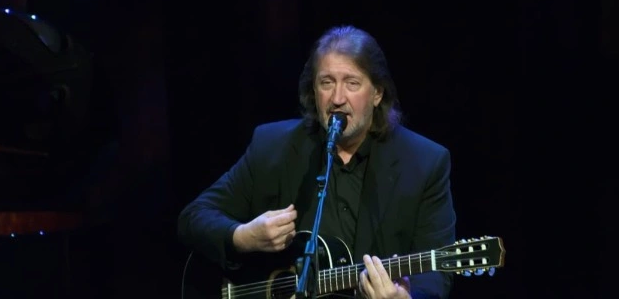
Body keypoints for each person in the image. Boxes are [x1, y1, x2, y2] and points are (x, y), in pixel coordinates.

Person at [178, 25, 458, 298]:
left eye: (352, 83)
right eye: (327, 82)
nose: (337, 98)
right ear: (313, 90)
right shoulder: (273, 147)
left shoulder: (424, 163)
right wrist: (242, 237)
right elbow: (193, 218)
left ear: (377, 93)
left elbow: (436, 275)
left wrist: (405, 297)